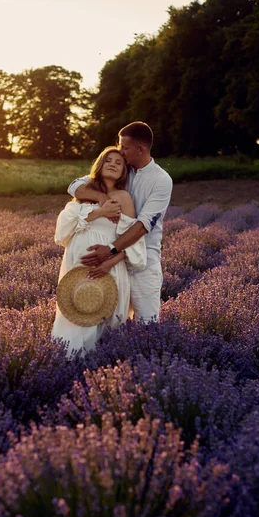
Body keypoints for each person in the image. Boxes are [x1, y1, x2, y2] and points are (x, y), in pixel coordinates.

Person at [67, 121, 172, 323]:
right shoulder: (122, 169)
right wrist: (101, 197)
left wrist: (111, 250)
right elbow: (74, 186)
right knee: (110, 321)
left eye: (124, 147)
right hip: (115, 264)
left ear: (140, 149)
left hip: (143, 262)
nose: (120, 151)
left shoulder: (161, 180)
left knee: (147, 325)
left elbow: (142, 226)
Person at [52, 146, 147, 356]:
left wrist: (110, 261)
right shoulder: (85, 191)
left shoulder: (123, 197)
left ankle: (104, 370)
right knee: (77, 310)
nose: (113, 164)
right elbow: (63, 227)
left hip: (108, 265)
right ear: (99, 164)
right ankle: (68, 365)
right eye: (108, 160)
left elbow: (132, 240)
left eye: (118, 163)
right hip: (77, 263)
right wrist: (100, 211)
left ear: (123, 172)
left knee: (103, 312)